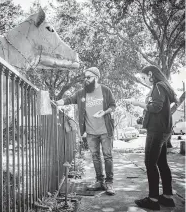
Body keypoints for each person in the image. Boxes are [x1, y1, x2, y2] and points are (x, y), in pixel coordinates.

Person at [56, 67, 116, 195]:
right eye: (85, 77)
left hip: (105, 130)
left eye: (89, 77)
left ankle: (109, 183)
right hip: (90, 132)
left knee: (108, 156)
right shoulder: (81, 93)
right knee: (95, 157)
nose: (86, 80)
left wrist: (104, 112)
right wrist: (56, 103)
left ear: (96, 77)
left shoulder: (105, 90)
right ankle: (99, 181)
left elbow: (113, 105)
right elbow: (68, 100)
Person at [125, 65, 177, 210]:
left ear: (150, 74)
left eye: (143, 78)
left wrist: (138, 103)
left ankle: (153, 200)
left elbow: (156, 107)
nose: (144, 80)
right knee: (162, 163)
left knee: (150, 163)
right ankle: (167, 197)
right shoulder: (163, 86)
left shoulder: (158, 86)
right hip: (164, 130)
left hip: (157, 131)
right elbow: (161, 106)